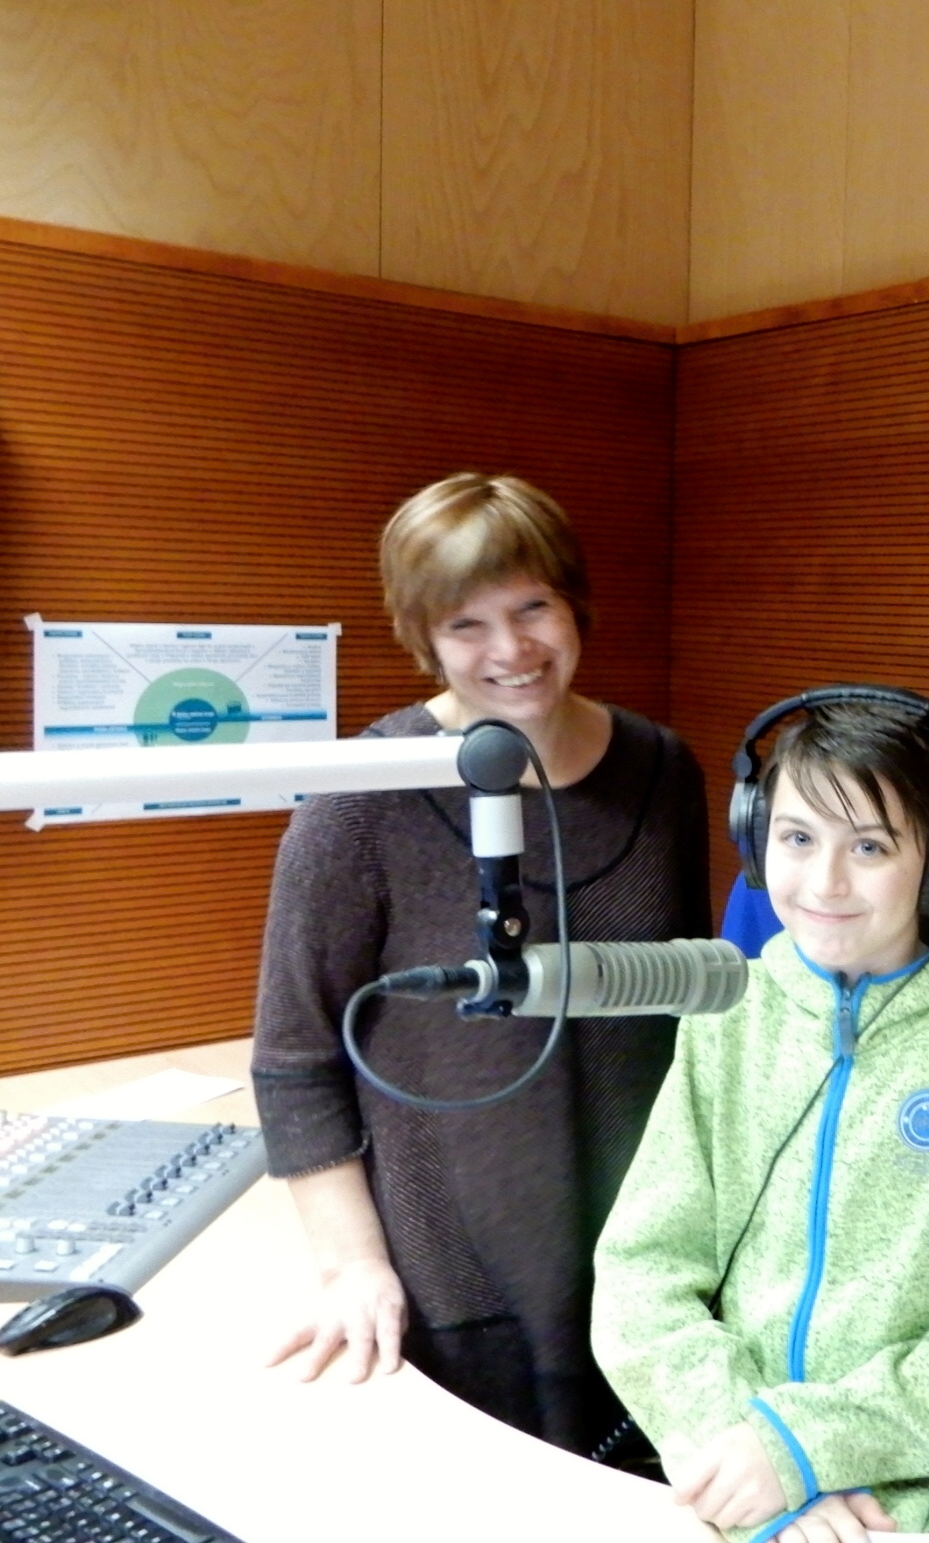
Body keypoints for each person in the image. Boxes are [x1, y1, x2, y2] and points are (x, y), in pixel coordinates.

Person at [252, 472, 710, 1452]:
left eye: (533, 607)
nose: (511, 650)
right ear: (424, 637)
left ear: (574, 602)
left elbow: (687, 1014)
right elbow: (294, 1059)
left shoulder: (662, 769)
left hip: (644, 1266)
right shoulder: (362, 795)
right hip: (455, 1281)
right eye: (467, 624)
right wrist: (352, 1267)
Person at [592, 694, 929, 1543]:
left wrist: (809, 1444)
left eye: (869, 846)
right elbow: (642, 1271)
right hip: (753, 1501)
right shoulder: (732, 1013)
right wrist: (746, 1449)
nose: (825, 882)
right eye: (798, 838)